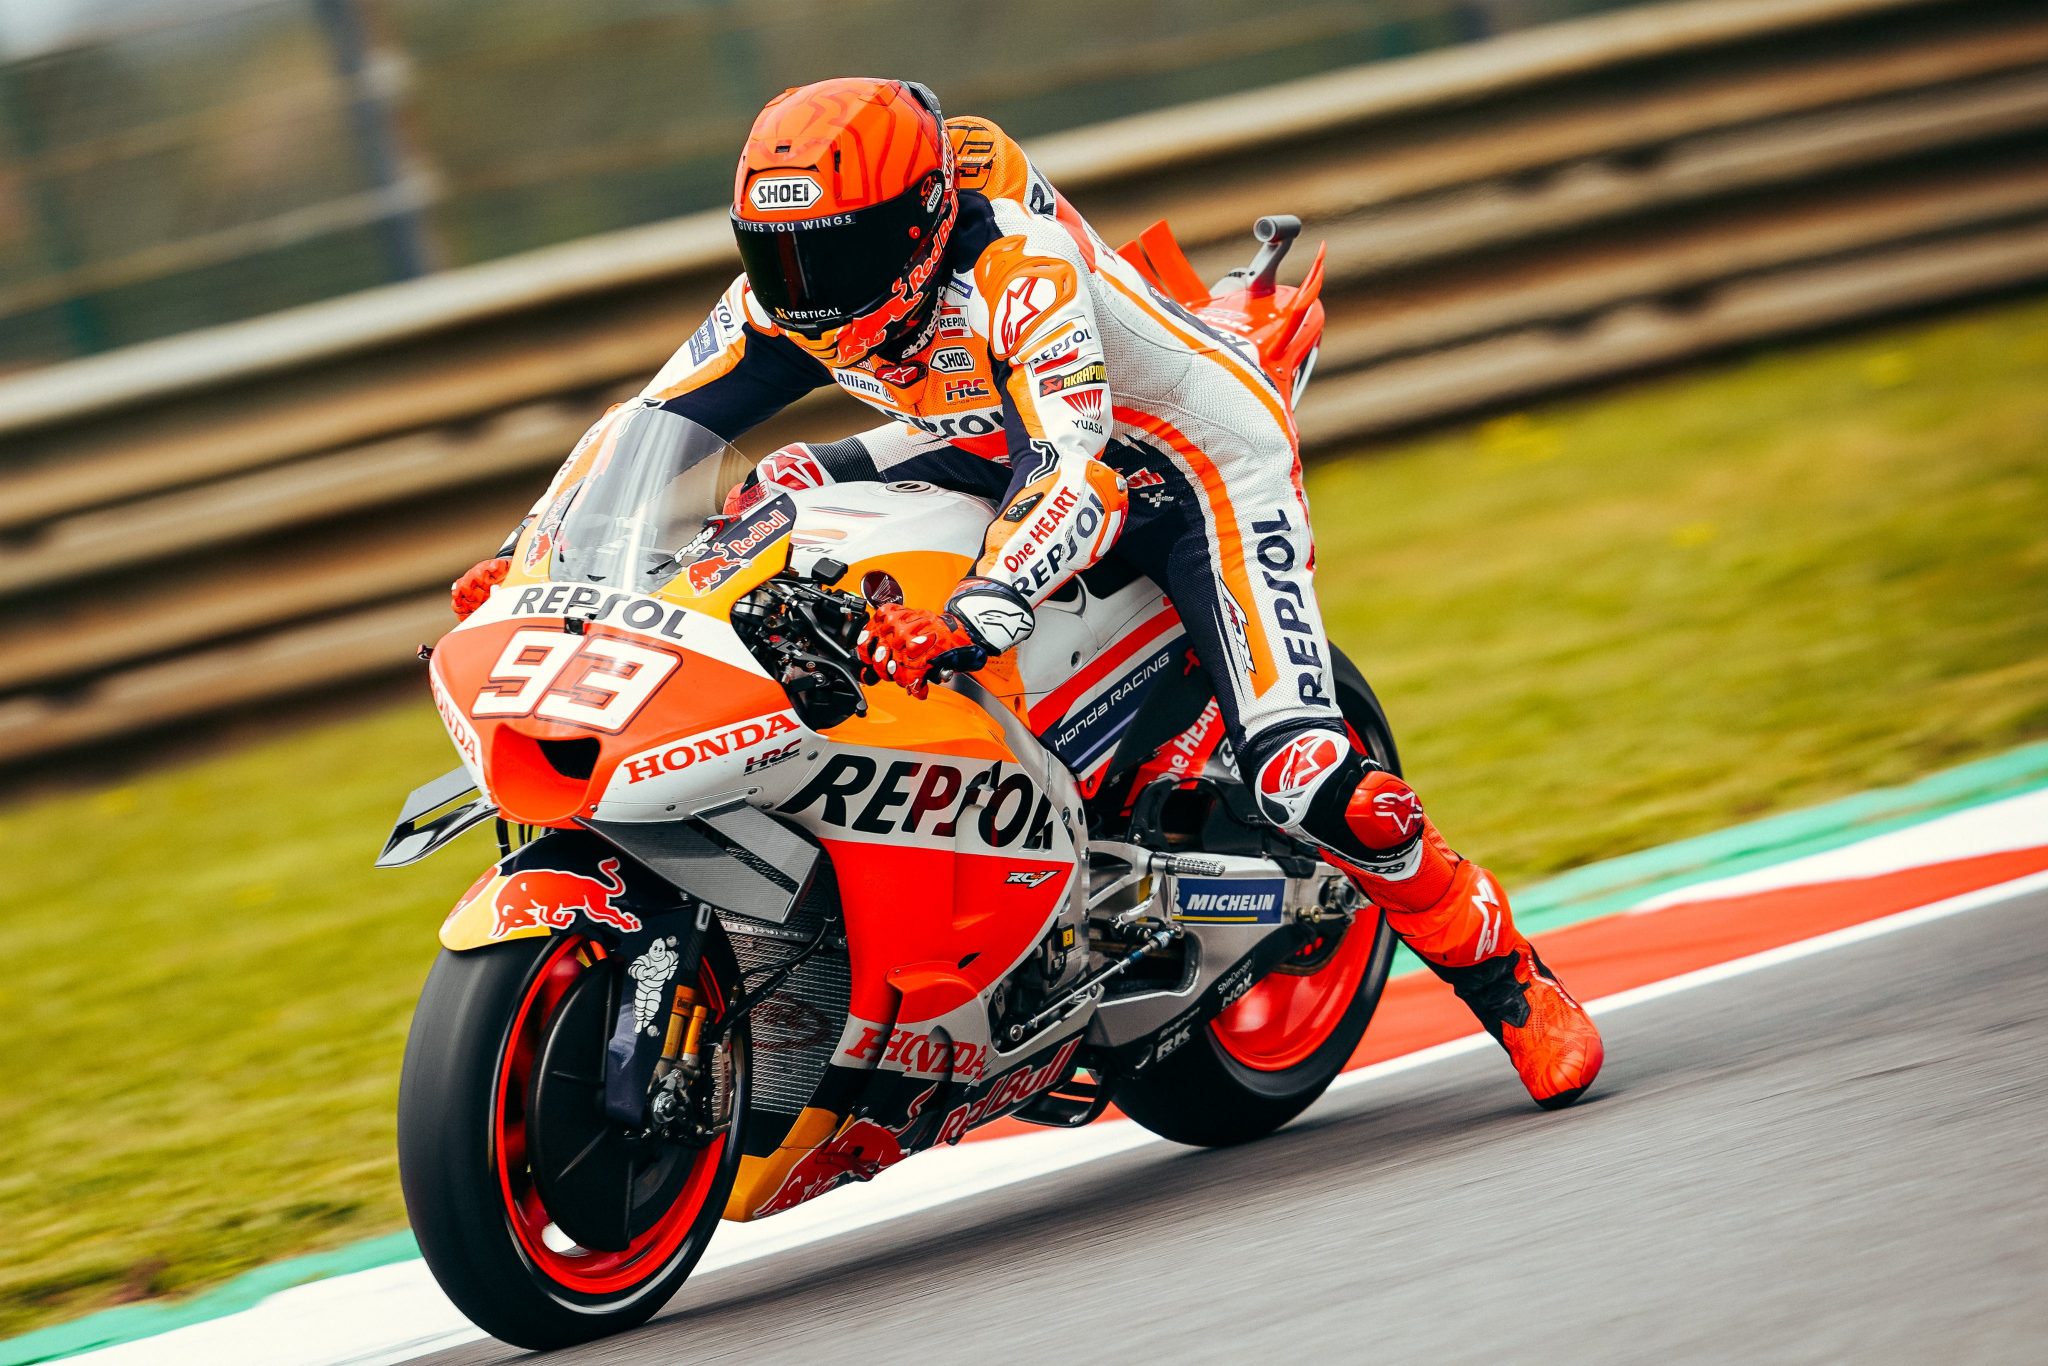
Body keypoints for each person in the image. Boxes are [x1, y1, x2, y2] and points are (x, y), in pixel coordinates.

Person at [451, 78, 1603, 1108]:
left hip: (1180, 462)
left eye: (832, 257)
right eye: (777, 256)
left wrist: (973, 613)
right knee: (778, 488)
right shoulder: (795, 294)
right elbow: (647, 427)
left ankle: (1510, 984)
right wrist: (537, 558)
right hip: (977, 435)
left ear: (919, 225)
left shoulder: (1016, 265)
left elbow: (1070, 474)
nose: (804, 291)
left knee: (1309, 783)